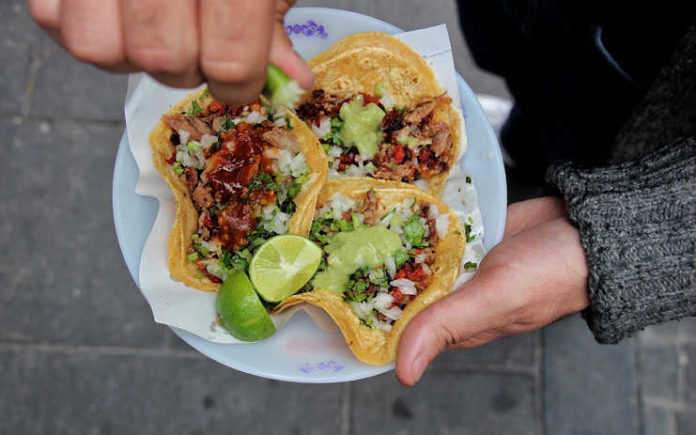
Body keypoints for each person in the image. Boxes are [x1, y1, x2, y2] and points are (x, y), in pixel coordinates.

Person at [30, 0, 696, 386]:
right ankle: (526, 135)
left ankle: (541, 144)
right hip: (535, 15)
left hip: (655, 86)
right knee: (524, 66)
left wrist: (614, 247)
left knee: (589, 121)